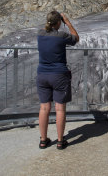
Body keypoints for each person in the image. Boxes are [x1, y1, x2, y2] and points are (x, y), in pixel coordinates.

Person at [36, 10, 79, 149]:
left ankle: (43, 140)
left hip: (42, 74)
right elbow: (76, 38)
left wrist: (53, 21)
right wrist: (68, 22)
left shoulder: (40, 34)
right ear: (58, 22)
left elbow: (46, 28)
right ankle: (60, 141)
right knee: (59, 109)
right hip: (59, 75)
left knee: (44, 107)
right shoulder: (61, 35)